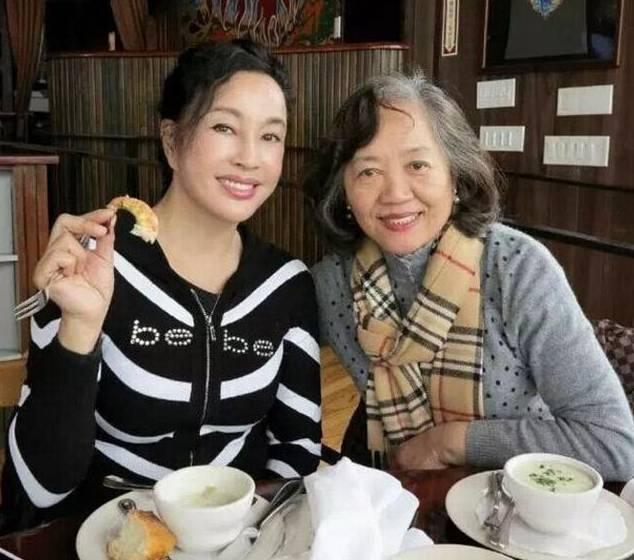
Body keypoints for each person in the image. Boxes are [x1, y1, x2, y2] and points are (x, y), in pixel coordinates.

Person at [1, 39, 321, 532]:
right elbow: (39, 487)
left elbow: (298, 450)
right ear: (172, 141)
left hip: (233, 543)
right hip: (103, 541)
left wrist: (251, 539)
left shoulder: (286, 285)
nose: (250, 157)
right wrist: (80, 326)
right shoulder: (95, 263)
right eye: (224, 127)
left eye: (271, 136)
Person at [305, 72, 634, 480]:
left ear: (455, 176)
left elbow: (615, 444)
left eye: (417, 165)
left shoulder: (517, 268)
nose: (395, 194)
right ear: (343, 192)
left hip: (520, 502)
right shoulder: (332, 283)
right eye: (368, 172)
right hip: (396, 499)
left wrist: (449, 442)